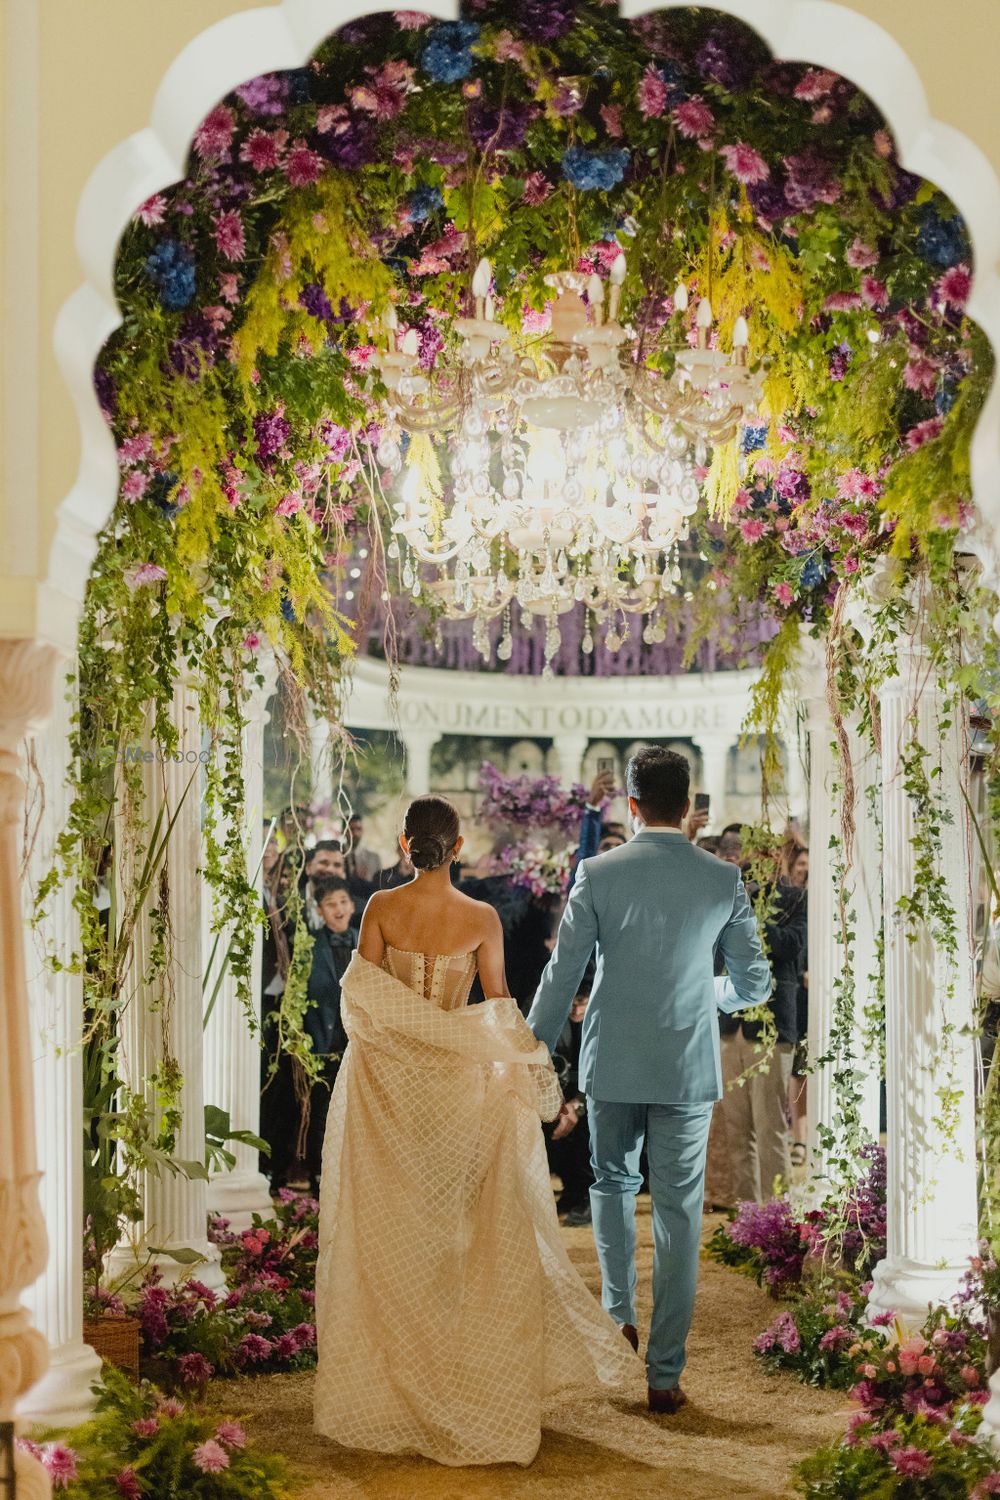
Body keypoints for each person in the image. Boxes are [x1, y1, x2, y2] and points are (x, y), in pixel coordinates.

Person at [314, 795, 635, 1466]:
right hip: (459, 1093)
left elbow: (361, 1000)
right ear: (457, 848)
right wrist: (533, 1072)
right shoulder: (480, 917)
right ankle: (456, 1374)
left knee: (398, 1228)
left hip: (391, 1091)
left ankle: (405, 1380)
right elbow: (496, 1007)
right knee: (459, 1234)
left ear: (407, 845)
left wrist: (409, 1043)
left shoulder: (379, 909)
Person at [527, 747, 771, 1414]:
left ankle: (616, 1320)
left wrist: (531, 1051)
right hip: (686, 1064)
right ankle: (665, 1374)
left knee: (609, 1184)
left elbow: (561, 979)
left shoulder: (598, 872)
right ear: (690, 807)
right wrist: (704, 994)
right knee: (679, 1213)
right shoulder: (722, 879)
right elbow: (755, 984)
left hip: (612, 1060)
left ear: (631, 805)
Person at [718, 845, 808, 1203]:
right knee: (737, 1129)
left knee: (770, 1128)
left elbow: (794, 945)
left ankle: (776, 1218)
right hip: (730, 1026)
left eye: (763, 856)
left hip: (770, 1027)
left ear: (777, 860)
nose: (755, 865)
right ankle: (746, 1214)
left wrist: (750, 920)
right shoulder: (728, 897)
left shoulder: (794, 898)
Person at [302, 878, 358, 1196]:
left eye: (342, 901)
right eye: (330, 904)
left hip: (355, 1041)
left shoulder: (366, 942)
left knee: (353, 1111)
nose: (338, 909)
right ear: (321, 911)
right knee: (321, 1112)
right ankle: (318, 1177)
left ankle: (348, 1176)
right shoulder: (309, 945)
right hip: (321, 1041)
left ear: (351, 905)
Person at [546, 978, 595, 1225]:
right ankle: (571, 1191)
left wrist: (577, 1106)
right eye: (572, 1004)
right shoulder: (555, 1024)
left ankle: (588, 1198)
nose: (576, 1010)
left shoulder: (600, 1024)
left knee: (587, 1132)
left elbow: (602, 1072)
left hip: (593, 1099)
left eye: (582, 1004)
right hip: (560, 1098)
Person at [344, 814, 381, 884]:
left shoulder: (374, 858)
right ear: (344, 831)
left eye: (359, 829)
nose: (355, 833)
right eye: (351, 829)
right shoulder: (338, 855)